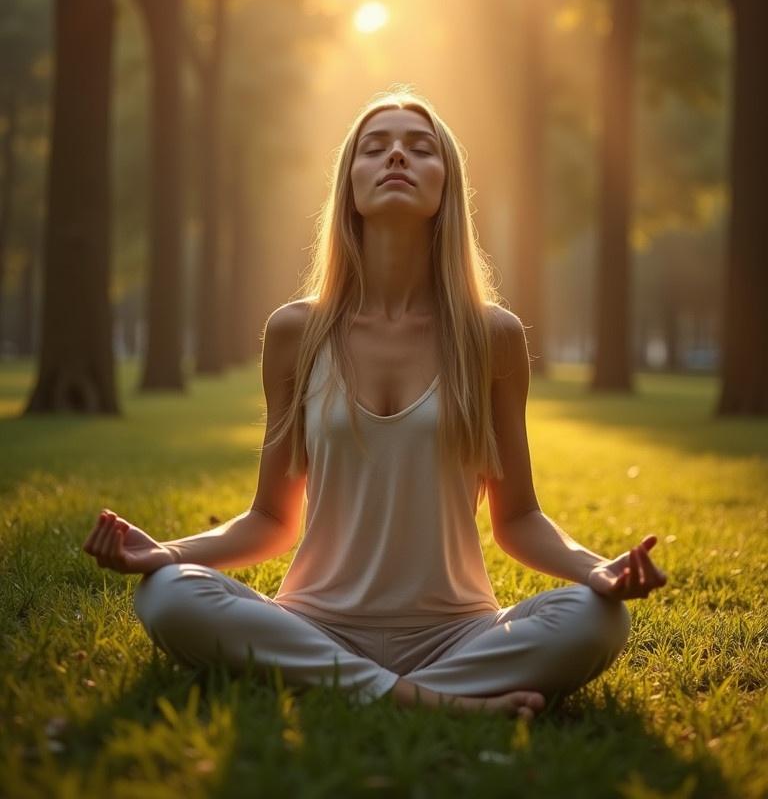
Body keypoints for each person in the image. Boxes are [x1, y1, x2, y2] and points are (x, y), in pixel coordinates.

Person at [83, 89, 668, 720]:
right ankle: (424, 700)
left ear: (446, 185)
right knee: (166, 595)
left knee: (593, 619)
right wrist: (167, 554)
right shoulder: (294, 332)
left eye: (421, 148)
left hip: (456, 632)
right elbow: (270, 520)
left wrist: (598, 570)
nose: (397, 156)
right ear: (350, 184)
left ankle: (358, 690)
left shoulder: (491, 335)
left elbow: (518, 519)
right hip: (317, 623)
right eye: (375, 147)